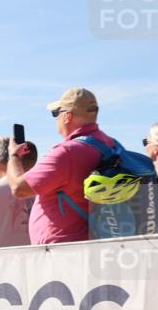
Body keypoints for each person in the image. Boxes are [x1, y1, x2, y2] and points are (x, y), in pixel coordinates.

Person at [7, 88, 112, 244]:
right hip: (95, 246)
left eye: (56, 113)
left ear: (67, 116)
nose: (56, 118)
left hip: (63, 253)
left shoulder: (67, 152)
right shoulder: (110, 144)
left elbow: (18, 188)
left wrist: (13, 156)